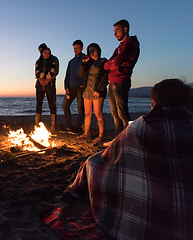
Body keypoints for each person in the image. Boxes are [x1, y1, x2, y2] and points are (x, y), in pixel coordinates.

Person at [62, 79, 193, 239]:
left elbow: (106, 158)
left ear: (155, 103)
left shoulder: (141, 128)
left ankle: (75, 191)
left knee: (92, 163)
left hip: (142, 227)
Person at [104, 19, 140, 136]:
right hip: (112, 81)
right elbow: (106, 65)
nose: (115, 34)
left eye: (117, 31)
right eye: (114, 32)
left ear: (125, 29)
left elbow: (115, 63)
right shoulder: (120, 46)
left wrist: (113, 63)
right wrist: (113, 63)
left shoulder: (131, 43)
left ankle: (131, 136)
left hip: (121, 81)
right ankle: (118, 137)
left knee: (122, 112)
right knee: (114, 112)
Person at [77, 43, 108, 143]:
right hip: (87, 91)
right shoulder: (89, 63)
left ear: (98, 50)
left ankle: (101, 135)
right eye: (89, 51)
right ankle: (86, 133)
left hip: (97, 91)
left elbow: (105, 78)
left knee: (98, 113)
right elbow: (81, 75)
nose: (91, 52)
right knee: (87, 113)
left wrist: (99, 90)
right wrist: (83, 63)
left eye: (93, 50)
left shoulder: (103, 61)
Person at [62, 40, 85, 133]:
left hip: (80, 87)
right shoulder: (71, 61)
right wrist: (66, 87)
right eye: (74, 48)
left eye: (77, 48)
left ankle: (78, 128)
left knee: (80, 107)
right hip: (70, 87)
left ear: (82, 48)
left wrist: (84, 84)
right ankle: (69, 127)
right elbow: (67, 75)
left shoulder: (85, 59)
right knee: (65, 105)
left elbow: (88, 73)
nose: (75, 50)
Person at [35, 47, 57, 131]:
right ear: (42, 53)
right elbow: (37, 73)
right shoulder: (38, 62)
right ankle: (37, 124)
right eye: (45, 53)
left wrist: (47, 80)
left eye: (48, 53)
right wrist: (40, 80)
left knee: (51, 105)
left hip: (49, 86)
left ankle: (53, 125)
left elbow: (53, 73)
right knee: (38, 105)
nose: (46, 54)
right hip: (39, 86)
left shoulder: (52, 61)